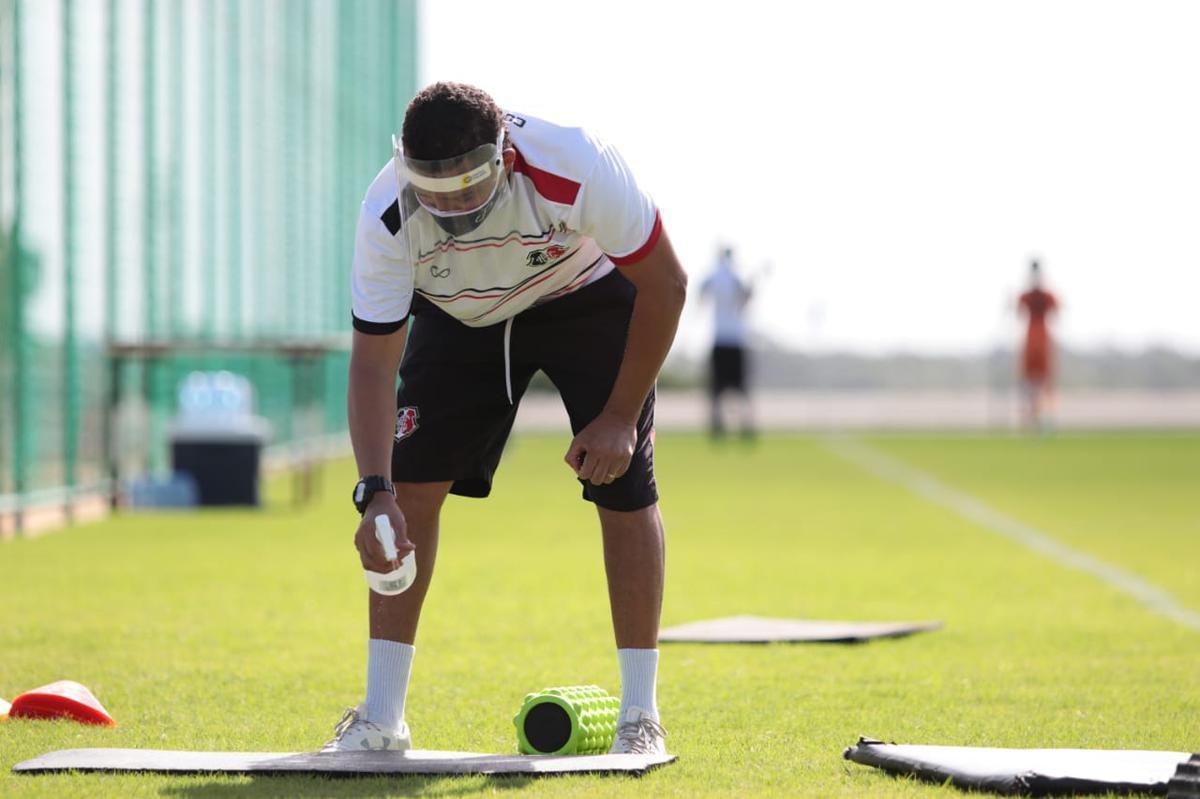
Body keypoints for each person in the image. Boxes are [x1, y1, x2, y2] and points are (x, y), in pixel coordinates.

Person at [327, 82, 686, 756]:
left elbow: (667, 283)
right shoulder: (387, 213)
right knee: (408, 492)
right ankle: (381, 717)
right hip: (461, 316)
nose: (450, 209)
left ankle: (641, 714)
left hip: (583, 293)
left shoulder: (578, 165)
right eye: (432, 192)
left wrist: (619, 416)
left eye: (467, 189)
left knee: (624, 485)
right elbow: (373, 364)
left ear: (507, 158)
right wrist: (373, 491)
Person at [698, 245, 755, 439]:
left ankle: (717, 426)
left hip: (720, 339)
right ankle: (746, 426)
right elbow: (746, 299)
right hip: (736, 339)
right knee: (742, 388)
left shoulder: (714, 276)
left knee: (716, 388)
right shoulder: (737, 277)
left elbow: (701, 296)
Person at [1016, 259, 1059, 432]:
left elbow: (1056, 310)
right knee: (1030, 383)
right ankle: (1032, 420)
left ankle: (1043, 420)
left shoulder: (1045, 295)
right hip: (1034, 339)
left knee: (1043, 383)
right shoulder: (1028, 295)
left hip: (1040, 339)